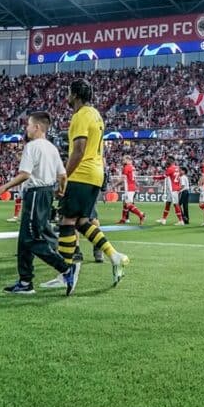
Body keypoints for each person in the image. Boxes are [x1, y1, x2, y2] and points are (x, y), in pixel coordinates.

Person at [56, 79, 129, 285]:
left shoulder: (80, 115)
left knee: (67, 221)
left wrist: (64, 175)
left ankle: (65, 274)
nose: (67, 97)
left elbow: (79, 149)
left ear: (75, 95)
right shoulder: (96, 114)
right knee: (82, 222)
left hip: (81, 173)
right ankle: (113, 255)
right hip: (96, 174)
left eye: (69, 93)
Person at [0, 111, 78, 296]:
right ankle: (25, 282)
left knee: (32, 239)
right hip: (46, 193)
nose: (26, 128)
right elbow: (63, 175)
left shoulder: (32, 146)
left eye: (28, 125)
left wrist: (5, 186)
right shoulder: (52, 148)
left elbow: (25, 174)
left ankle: (66, 269)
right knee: (24, 240)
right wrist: (61, 190)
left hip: (35, 194)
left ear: (36, 127)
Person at [116, 155, 145, 225]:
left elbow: (122, 179)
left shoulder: (126, 167)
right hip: (132, 187)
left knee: (128, 204)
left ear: (127, 160)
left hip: (129, 188)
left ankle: (141, 215)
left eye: (124, 160)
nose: (123, 161)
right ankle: (123, 219)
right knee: (125, 204)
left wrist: (114, 185)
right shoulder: (132, 167)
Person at [157, 157, 184, 225]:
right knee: (168, 203)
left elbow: (163, 176)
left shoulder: (170, 169)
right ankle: (164, 219)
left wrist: (155, 177)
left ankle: (181, 221)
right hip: (173, 188)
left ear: (170, 162)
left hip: (173, 189)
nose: (166, 163)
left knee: (176, 204)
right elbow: (179, 176)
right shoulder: (177, 168)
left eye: (167, 161)